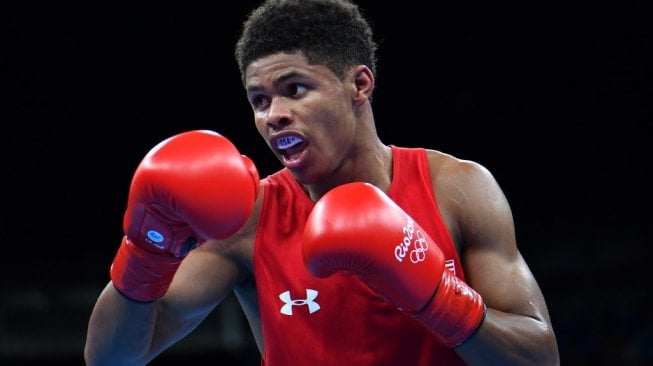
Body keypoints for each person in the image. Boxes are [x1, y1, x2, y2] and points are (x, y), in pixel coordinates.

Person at [84, 0, 560, 365]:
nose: (274, 116)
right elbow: (114, 357)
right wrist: (148, 248)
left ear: (360, 85)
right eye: (259, 100)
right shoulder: (250, 219)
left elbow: (540, 357)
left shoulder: (457, 189)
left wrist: (437, 297)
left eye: (294, 89)